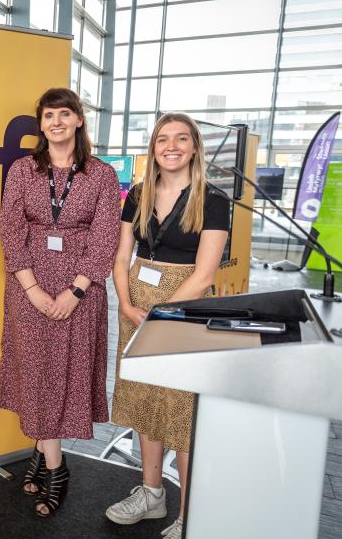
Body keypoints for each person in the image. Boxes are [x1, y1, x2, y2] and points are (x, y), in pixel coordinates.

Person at [106, 112, 229, 539]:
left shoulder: (212, 199)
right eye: (162, 139)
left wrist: (161, 315)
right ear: (153, 147)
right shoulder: (138, 194)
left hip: (185, 307)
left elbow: (205, 275)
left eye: (180, 139)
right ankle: (152, 495)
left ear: (195, 146)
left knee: (181, 409)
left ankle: (191, 515)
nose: (171, 146)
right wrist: (124, 302)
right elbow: (122, 256)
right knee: (144, 400)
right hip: (136, 301)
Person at [0, 87, 121, 517]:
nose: (56, 122)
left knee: (63, 376)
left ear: (79, 120)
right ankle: (56, 465)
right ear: (41, 124)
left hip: (80, 291)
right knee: (37, 375)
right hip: (28, 287)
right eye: (48, 115)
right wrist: (32, 289)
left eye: (64, 114)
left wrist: (75, 291)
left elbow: (107, 237)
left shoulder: (102, 175)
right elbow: (10, 229)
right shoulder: (21, 170)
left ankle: (44, 458)